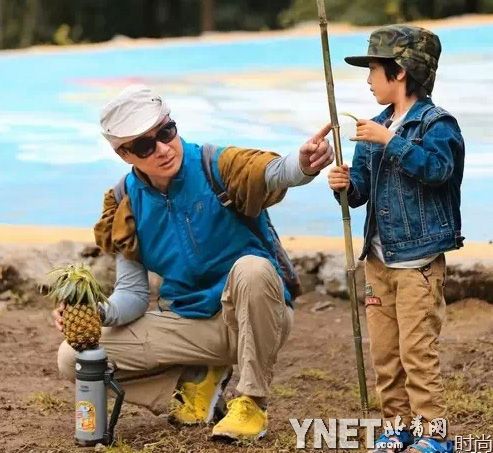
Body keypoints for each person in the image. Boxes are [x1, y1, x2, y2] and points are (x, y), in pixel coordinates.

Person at [54, 84, 334, 442]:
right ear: (124, 154)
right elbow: (133, 294)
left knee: (253, 267)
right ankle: (192, 387)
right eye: (144, 145)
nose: (162, 148)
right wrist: (95, 313)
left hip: (256, 317)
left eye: (166, 131)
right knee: (73, 357)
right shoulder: (125, 200)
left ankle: (251, 402)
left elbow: (273, 172)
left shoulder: (215, 164)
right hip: (188, 327)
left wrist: (304, 164)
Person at [328, 25, 464, 453]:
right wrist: (343, 186)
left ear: (400, 71)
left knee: (416, 352)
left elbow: (438, 171)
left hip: (419, 264)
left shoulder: (436, 124)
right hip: (379, 262)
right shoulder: (374, 129)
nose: (369, 80)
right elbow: (361, 194)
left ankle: (433, 435)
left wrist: (391, 141)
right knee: (386, 353)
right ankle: (398, 427)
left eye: (373, 70)